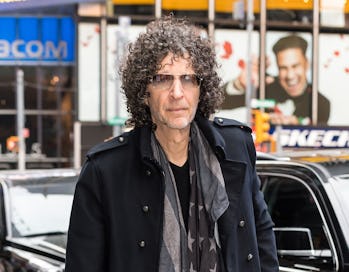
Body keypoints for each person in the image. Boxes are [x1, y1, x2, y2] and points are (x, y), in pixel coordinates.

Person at [65, 16, 279, 272]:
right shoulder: (106, 170)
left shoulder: (236, 146)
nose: (177, 92)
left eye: (188, 78)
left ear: (202, 89)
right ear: (144, 92)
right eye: (163, 79)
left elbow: (261, 233)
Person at [221, 34, 330, 125]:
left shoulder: (320, 102)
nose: (290, 76)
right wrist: (239, 84)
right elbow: (219, 103)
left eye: (295, 66)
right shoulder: (266, 86)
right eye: (283, 68)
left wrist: (297, 127)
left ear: (307, 64)